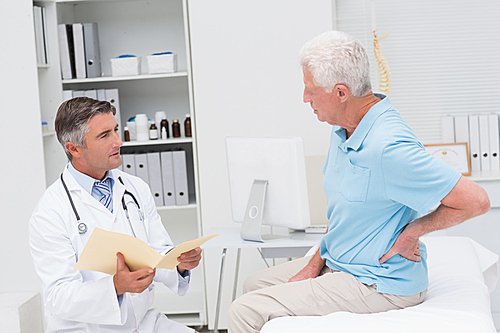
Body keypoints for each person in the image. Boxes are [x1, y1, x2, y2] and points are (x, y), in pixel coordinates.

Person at [228, 30, 490, 333]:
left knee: (244, 312)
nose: (305, 98)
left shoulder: (388, 147)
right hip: (341, 264)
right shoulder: (344, 129)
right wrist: (315, 264)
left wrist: (412, 233)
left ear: (341, 93)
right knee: (253, 284)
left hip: (379, 282)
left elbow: (476, 201)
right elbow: (341, 212)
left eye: (311, 90)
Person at [29, 97, 202, 333]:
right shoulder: (50, 212)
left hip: (143, 323)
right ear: (73, 148)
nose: (118, 142)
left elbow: (157, 252)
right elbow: (58, 296)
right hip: (87, 329)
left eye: (116, 130)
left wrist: (179, 263)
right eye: (104, 135)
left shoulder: (135, 188)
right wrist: (115, 287)